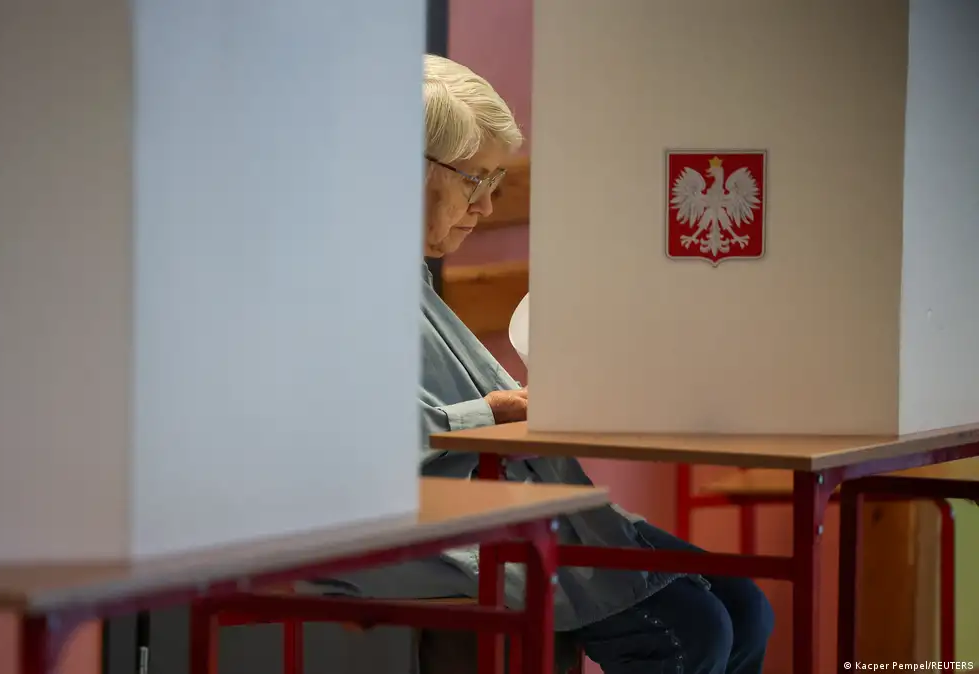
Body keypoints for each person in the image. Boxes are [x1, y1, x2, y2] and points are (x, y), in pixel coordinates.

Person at [315, 55, 774, 674]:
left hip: (499, 507)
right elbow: (351, 447)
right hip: (417, 529)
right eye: (475, 179)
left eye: (495, 181)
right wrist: (493, 411)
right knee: (690, 632)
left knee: (746, 607)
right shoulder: (335, 278)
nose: (486, 205)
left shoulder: (405, 276)